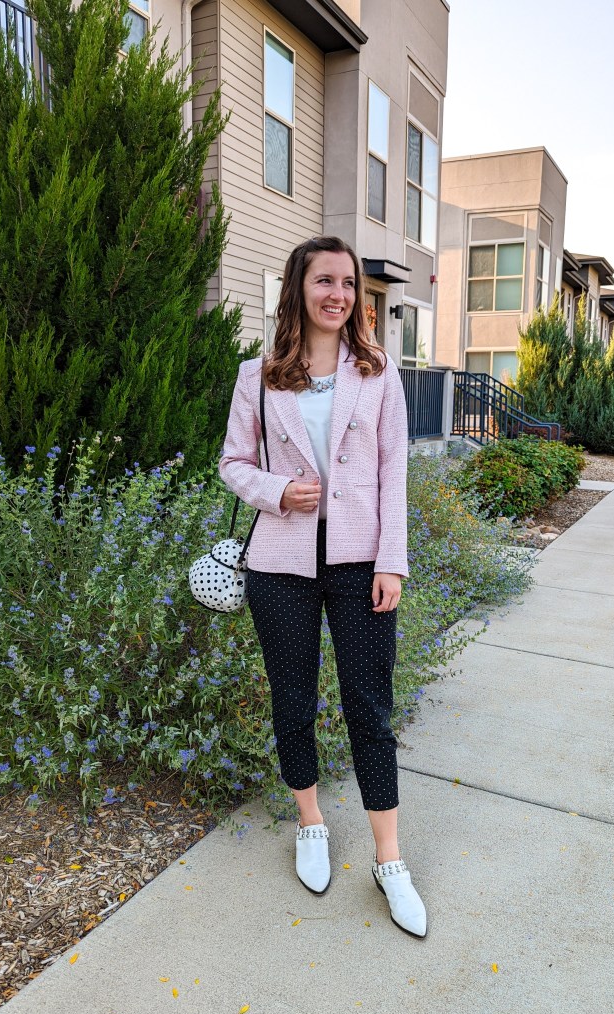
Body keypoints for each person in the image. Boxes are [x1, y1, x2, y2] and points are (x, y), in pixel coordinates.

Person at [219, 236, 426, 938]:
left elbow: (393, 470)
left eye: (348, 283)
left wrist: (392, 561)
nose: (338, 294)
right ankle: (310, 822)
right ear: (298, 289)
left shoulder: (377, 372)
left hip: (360, 561)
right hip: (279, 563)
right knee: (292, 698)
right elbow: (233, 463)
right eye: (324, 281)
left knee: (369, 706)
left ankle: (389, 859)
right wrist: (277, 491)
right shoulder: (258, 375)